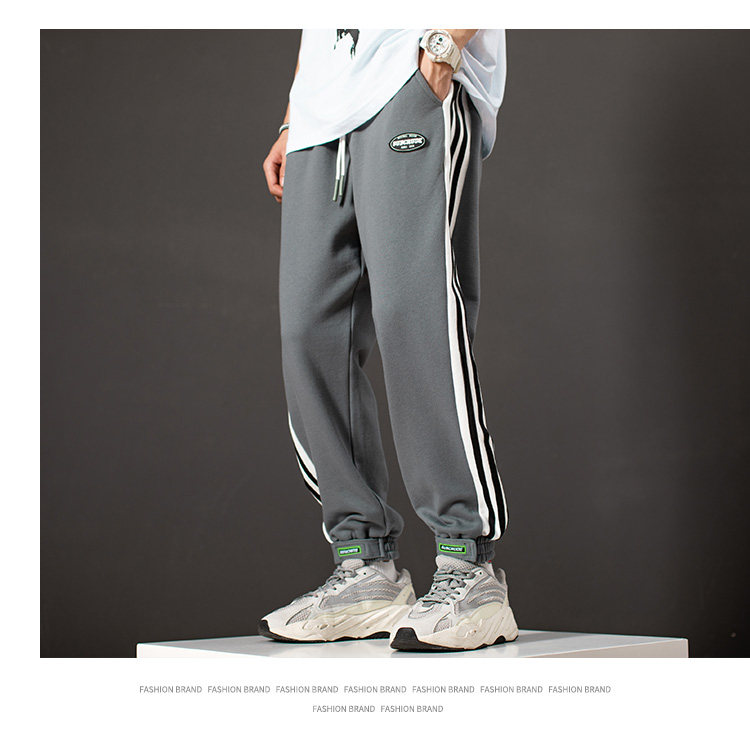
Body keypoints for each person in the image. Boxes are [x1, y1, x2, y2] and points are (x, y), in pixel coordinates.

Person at [259, 29, 517, 651]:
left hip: (410, 75)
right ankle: (364, 564)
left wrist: (442, 51)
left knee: (416, 316)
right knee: (310, 332)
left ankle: (468, 564)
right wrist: (295, 114)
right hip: (321, 115)